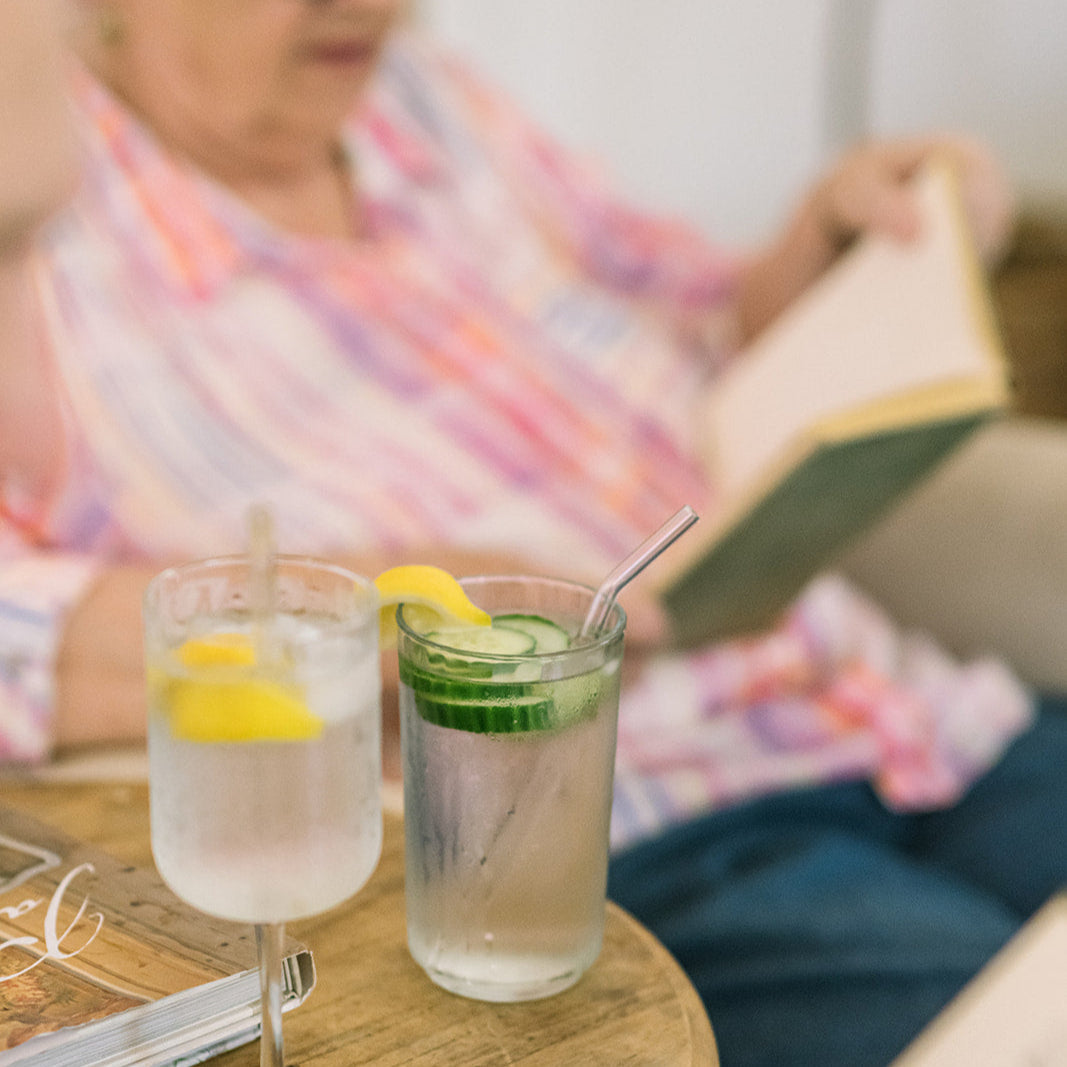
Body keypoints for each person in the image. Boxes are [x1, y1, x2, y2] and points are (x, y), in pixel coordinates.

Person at [1, 2, 1062, 1063]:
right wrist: (375, 613)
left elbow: (697, 311)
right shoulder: (37, 209)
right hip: (641, 832)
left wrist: (834, 245)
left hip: (906, 713)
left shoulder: (426, 104)